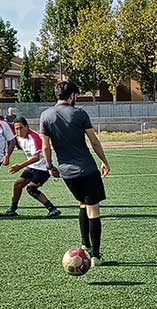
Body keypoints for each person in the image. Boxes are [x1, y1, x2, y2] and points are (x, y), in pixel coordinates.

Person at [40, 81, 110, 267]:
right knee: (93, 209)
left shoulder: (45, 116)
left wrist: (49, 166)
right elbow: (94, 141)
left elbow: (45, 146)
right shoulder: (79, 113)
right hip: (86, 168)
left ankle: (85, 245)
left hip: (66, 173)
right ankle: (95, 255)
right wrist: (104, 160)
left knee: (82, 204)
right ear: (72, 96)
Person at [0, 117, 61, 218]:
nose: (18, 131)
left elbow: (36, 157)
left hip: (44, 167)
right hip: (32, 166)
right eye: (16, 129)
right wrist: (6, 155)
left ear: (27, 126)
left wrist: (20, 166)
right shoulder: (18, 137)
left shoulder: (34, 137)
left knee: (31, 188)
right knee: (18, 184)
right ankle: (12, 210)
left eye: (21, 128)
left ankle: (53, 209)